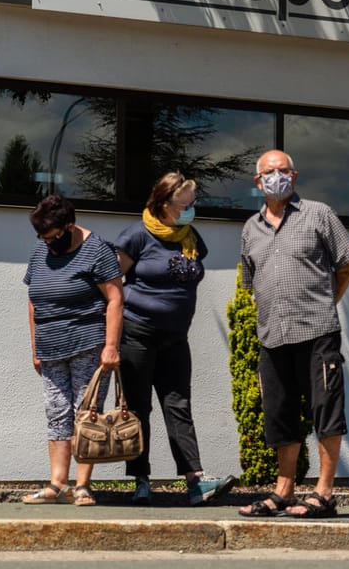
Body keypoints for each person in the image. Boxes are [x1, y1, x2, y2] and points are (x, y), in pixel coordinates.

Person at [237, 150, 349, 518]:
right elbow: (250, 281)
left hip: (317, 331)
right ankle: (284, 490)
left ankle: (324, 492)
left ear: (294, 175)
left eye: (284, 171)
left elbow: (347, 267)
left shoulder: (318, 214)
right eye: (270, 172)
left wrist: (325, 304)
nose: (278, 177)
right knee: (280, 415)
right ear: (258, 182)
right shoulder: (250, 228)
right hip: (272, 335)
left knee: (326, 412)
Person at [112, 172, 236, 506]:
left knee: (178, 404)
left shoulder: (190, 236)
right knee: (138, 408)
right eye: (185, 204)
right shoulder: (137, 236)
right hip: (137, 333)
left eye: (193, 203)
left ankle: (195, 482)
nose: (190, 208)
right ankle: (140, 480)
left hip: (175, 337)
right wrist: (109, 339)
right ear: (164, 203)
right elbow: (111, 285)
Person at [22, 195, 123, 507]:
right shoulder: (41, 252)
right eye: (43, 237)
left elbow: (115, 299)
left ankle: (82, 485)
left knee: (86, 413)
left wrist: (110, 346)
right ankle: (56, 484)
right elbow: (33, 299)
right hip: (51, 348)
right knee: (56, 413)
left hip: (88, 344)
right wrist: (35, 346)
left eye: (53, 236)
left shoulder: (98, 250)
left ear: (69, 226)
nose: (48, 243)